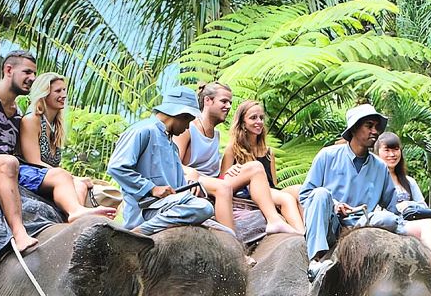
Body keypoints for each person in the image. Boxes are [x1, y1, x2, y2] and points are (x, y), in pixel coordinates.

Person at [0, 50, 115, 252]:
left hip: (9, 164)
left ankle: (75, 214)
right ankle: (19, 233)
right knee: (8, 162)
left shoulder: (17, 113)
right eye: (27, 72)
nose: (32, 78)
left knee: (61, 174)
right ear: (8, 70)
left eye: (34, 73)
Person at [175, 82, 299, 235]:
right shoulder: (188, 129)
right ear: (208, 101)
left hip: (214, 180)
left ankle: (302, 232)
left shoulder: (216, 134)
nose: (228, 106)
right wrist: (191, 172)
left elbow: (217, 173)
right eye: (224, 101)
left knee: (295, 190)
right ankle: (266, 223)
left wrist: (230, 172)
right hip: (198, 182)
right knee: (254, 167)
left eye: (230, 102)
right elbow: (174, 163)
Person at [299, 103, 401, 277]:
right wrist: (334, 206)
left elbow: (392, 208)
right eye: (369, 126)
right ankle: (316, 261)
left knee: (388, 219)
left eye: (376, 127)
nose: (375, 131)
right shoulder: (327, 156)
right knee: (320, 194)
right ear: (354, 128)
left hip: (361, 227)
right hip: (331, 226)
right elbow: (306, 195)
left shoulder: (380, 167)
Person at [107, 87, 216, 234]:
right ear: (181, 115)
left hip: (171, 205)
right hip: (148, 209)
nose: (187, 127)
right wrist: (152, 188)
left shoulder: (172, 145)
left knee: (224, 230)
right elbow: (116, 167)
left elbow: (177, 188)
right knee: (204, 208)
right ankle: (140, 232)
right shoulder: (143, 130)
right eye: (188, 121)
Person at [221, 100, 305, 233]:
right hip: (252, 193)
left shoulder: (268, 152)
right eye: (253, 118)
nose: (259, 122)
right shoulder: (233, 149)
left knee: (300, 190)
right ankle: (300, 234)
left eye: (261, 118)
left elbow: (274, 183)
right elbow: (222, 182)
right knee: (287, 199)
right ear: (242, 123)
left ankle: (309, 229)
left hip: (271, 190)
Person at [19, 72, 93, 206]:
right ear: (44, 94)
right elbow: (33, 161)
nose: (63, 95)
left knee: (82, 186)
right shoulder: (31, 120)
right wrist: (71, 177)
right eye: (58, 91)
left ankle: (75, 216)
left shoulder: (55, 126)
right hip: (30, 173)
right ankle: (75, 211)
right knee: (75, 182)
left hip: (51, 176)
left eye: (64, 90)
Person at [375, 131, 431, 257]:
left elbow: (423, 207)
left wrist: (408, 205)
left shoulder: (409, 182)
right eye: (387, 150)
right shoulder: (372, 180)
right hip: (386, 223)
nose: (392, 154)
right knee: (428, 225)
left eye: (396, 149)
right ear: (377, 153)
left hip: (408, 223)